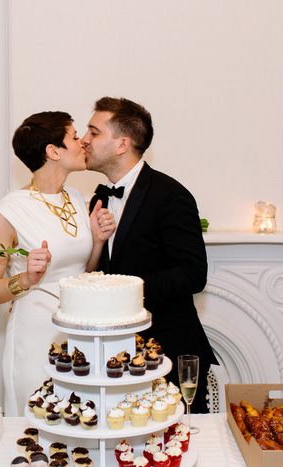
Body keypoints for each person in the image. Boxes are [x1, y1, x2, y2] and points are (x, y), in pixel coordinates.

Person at [0, 111, 115, 416]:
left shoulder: (78, 198)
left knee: (83, 423)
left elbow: (83, 274)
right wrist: (25, 279)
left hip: (79, 331)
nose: (84, 143)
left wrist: (98, 240)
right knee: (39, 428)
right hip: (35, 335)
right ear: (53, 151)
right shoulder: (6, 212)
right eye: (74, 136)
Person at [83, 97, 217, 413]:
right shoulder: (98, 200)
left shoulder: (171, 195)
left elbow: (193, 273)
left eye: (94, 132)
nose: (84, 140)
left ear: (122, 144)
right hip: (118, 354)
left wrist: (125, 289)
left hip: (167, 351)